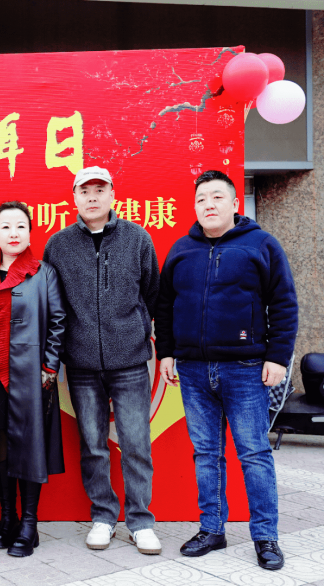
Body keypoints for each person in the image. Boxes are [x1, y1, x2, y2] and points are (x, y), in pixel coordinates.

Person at [155, 170, 298, 571]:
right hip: (193, 370)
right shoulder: (181, 249)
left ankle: (265, 536)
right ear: (195, 206)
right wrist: (166, 353)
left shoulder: (261, 244)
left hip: (246, 369)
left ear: (235, 204)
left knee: (254, 454)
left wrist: (277, 357)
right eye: (202, 198)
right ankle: (212, 529)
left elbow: (284, 303)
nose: (209, 204)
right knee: (206, 454)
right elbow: (164, 305)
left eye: (218, 197)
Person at [43, 166, 162, 555]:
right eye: (85, 190)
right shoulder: (58, 245)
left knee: (136, 444)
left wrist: (136, 330)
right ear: (74, 197)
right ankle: (103, 516)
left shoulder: (137, 238)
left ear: (112, 194)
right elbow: (52, 304)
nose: (92, 196)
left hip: (130, 362)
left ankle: (140, 521)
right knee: (93, 444)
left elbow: (152, 294)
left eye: (100, 189)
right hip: (80, 365)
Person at [0, 201, 66, 557]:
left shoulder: (43, 273)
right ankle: (7, 518)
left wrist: (49, 369)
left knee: (31, 445)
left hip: (33, 375)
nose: (13, 233)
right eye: (5, 227)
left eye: (20, 226)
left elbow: (58, 321)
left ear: (30, 233)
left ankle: (29, 524)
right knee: (0, 442)